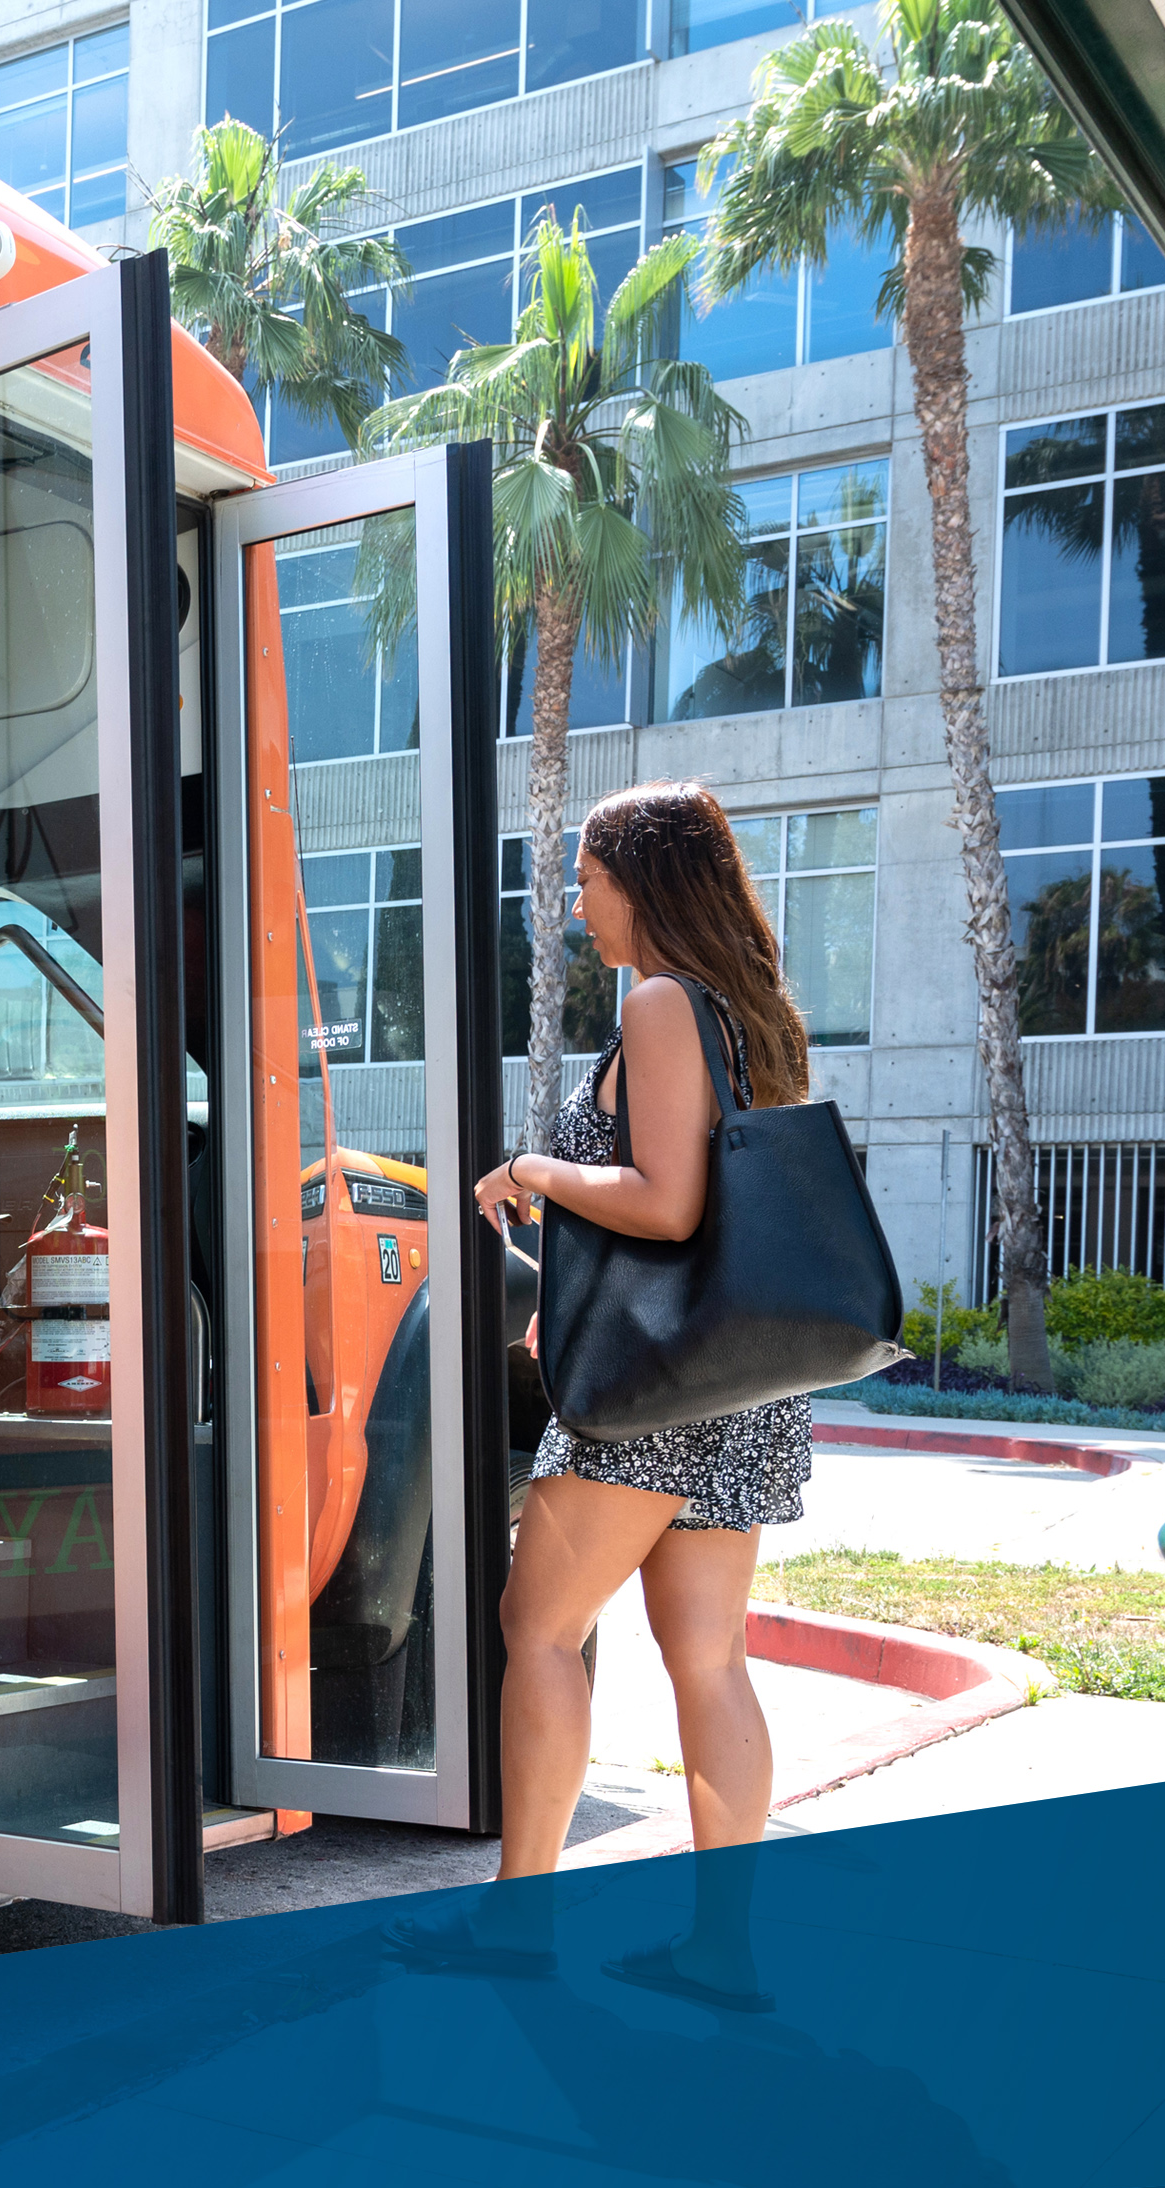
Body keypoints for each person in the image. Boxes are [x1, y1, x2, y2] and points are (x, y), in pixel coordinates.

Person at [394, 781, 815, 2011]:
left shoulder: (662, 1005)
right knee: (708, 1659)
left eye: (584, 877)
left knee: (537, 1629)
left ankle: (520, 1922)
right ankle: (719, 1953)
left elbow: (668, 1201)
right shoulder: (750, 1012)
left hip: (650, 1396)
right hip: (738, 1379)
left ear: (642, 880)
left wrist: (535, 1169)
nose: (575, 905)